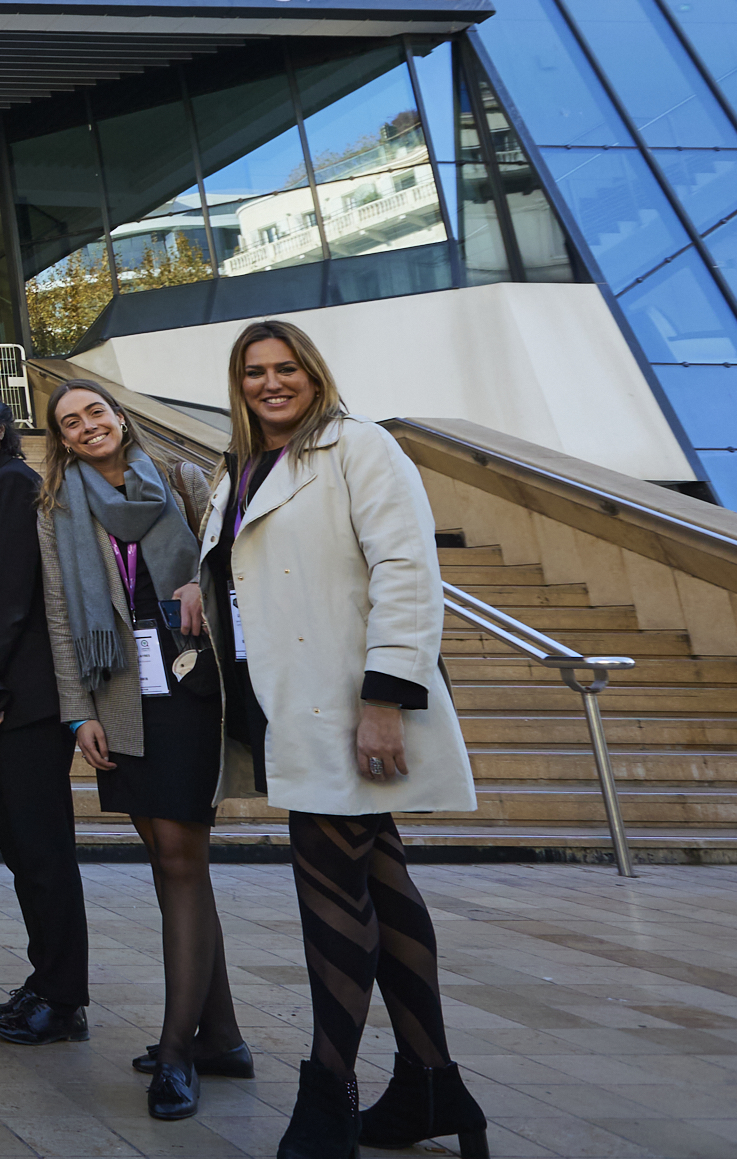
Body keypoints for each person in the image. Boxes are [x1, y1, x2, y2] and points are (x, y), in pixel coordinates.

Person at [205, 323, 484, 1159]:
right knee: (383, 885)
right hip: (291, 703)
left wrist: (387, 698)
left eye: (286, 368)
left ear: (314, 373)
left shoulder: (360, 447)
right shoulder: (240, 464)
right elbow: (246, 562)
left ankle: (329, 1095)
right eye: (254, 371)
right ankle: (432, 1086)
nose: (270, 382)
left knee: (329, 892)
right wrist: (199, 580)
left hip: (351, 703)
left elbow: (407, 568)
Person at [38, 377, 255, 1121]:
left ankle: (175, 1048)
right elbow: (63, 618)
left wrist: (201, 579)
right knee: (168, 861)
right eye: (71, 421)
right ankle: (221, 1033)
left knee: (180, 856)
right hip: (121, 695)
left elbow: (235, 563)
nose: (87, 425)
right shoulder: (59, 507)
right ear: (61, 438)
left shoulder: (186, 480)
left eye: (95, 411)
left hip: (190, 687)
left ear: (119, 416)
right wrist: (77, 715)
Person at [0, 379, 91, 1046]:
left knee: (42, 851)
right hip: (13, 697)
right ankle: (47, 980)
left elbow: (8, 592)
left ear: (3, 427)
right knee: (27, 849)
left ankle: (63, 999)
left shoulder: (9, 484)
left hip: (22, 702)